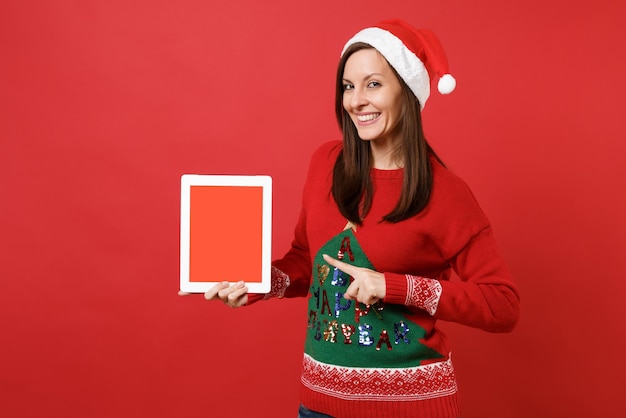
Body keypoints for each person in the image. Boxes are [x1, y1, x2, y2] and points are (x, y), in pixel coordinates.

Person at [200, 18, 520, 418]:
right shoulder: (325, 164)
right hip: (318, 406)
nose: (355, 101)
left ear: (407, 91)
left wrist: (393, 286)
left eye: (373, 84)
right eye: (348, 87)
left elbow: (502, 305)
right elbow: (307, 259)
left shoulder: (447, 193)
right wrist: (262, 283)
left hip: (410, 409)